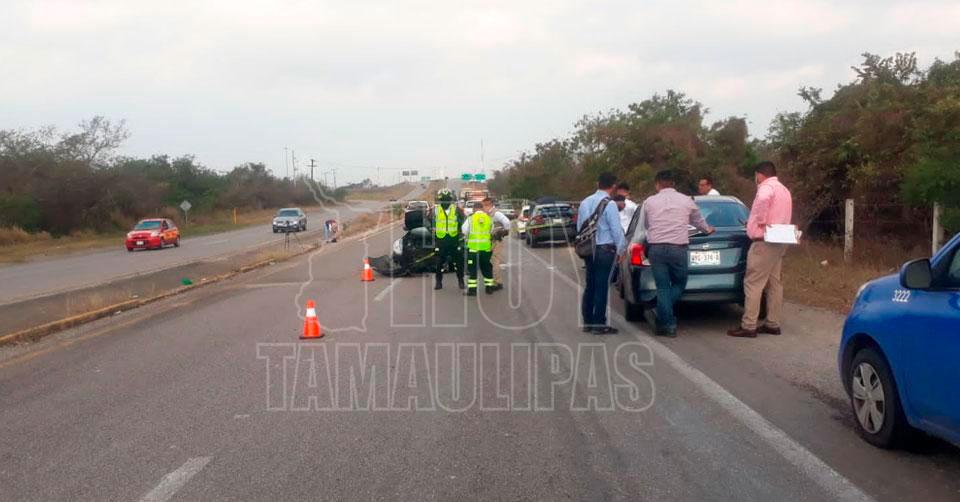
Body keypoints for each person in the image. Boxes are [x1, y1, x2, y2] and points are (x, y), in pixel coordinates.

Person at [642, 170, 715, 337]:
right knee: (680, 282)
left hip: (657, 249)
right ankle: (665, 318)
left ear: (657, 184)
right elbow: (698, 221)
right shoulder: (686, 200)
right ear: (673, 184)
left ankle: (665, 321)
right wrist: (708, 229)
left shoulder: (649, 202)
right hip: (678, 249)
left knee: (662, 287)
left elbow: (647, 225)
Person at [728, 161, 793, 338]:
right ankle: (773, 323)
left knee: (753, 282)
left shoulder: (766, 188)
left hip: (763, 240)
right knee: (774, 283)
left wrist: (760, 221)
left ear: (760, 174)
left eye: (756, 176)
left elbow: (763, 202)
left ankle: (749, 325)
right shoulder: (784, 190)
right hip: (780, 239)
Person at [577, 172, 626, 334]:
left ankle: (588, 322)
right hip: (605, 250)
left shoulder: (584, 202)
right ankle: (599, 323)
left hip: (589, 249)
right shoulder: (609, 204)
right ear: (613, 186)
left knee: (590, 285)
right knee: (602, 286)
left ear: (598, 183)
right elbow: (616, 230)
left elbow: (580, 228)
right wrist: (621, 250)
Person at [461, 198, 503, 296]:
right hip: (486, 249)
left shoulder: (470, 219)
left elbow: (464, 230)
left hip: (473, 250)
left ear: (474, 209)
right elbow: (491, 231)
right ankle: (489, 288)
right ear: (482, 208)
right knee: (487, 269)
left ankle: (472, 291)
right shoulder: (488, 218)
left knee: (473, 270)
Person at [430, 189, 465, 290]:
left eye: (447, 199)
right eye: (443, 199)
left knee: (458, 262)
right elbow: (429, 221)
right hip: (441, 240)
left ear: (451, 199)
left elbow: (463, 222)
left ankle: (461, 281)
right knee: (439, 263)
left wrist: (460, 233)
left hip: (454, 239)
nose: (445, 201)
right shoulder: (435, 210)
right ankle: (438, 282)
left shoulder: (457, 210)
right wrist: (432, 230)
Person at [488, 202, 512, 291]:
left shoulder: (496, 213)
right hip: (492, 240)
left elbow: (507, 222)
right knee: (492, 260)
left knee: (495, 260)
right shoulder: (490, 213)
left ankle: (497, 282)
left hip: (496, 240)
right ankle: (496, 281)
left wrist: (503, 232)